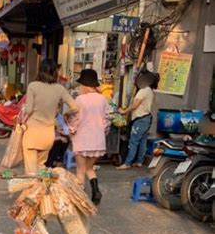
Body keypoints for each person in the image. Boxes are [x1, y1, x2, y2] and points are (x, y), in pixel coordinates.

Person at [22, 59, 78, 174]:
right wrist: (64, 115)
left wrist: (23, 107)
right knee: (41, 167)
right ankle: (42, 190)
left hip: (32, 133)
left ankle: (34, 191)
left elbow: (28, 110)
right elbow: (75, 107)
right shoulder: (59, 89)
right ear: (54, 72)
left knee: (31, 171)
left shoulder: (33, 86)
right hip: (47, 135)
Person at [66, 69, 109, 204]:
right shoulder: (103, 99)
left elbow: (75, 118)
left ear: (84, 85)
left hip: (82, 139)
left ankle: (80, 198)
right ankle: (96, 191)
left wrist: (71, 129)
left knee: (80, 170)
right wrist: (103, 133)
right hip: (98, 141)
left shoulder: (79, 99)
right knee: (88, 168)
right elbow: (107, 120)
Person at [116, 71, 158, 170]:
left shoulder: (143, 90)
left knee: (133, 142)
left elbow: (135, 105)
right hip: (146, 119)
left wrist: (124, 111)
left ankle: (127, 163)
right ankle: (139, 161)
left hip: (140, 119)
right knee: (142, 141)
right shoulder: (149, 90)